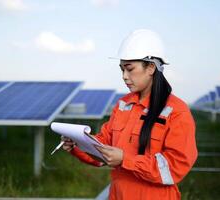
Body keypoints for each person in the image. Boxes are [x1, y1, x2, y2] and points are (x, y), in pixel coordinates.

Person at [62, 29, 198, 200]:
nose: (124, 76)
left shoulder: (177, 111)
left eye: (130, 69)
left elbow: (174, 168)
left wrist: (125, 159)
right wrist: (78, 144)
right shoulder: (123, 105)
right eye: (122, 70)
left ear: (150, 67)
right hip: (118, 194)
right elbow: (103, 150)